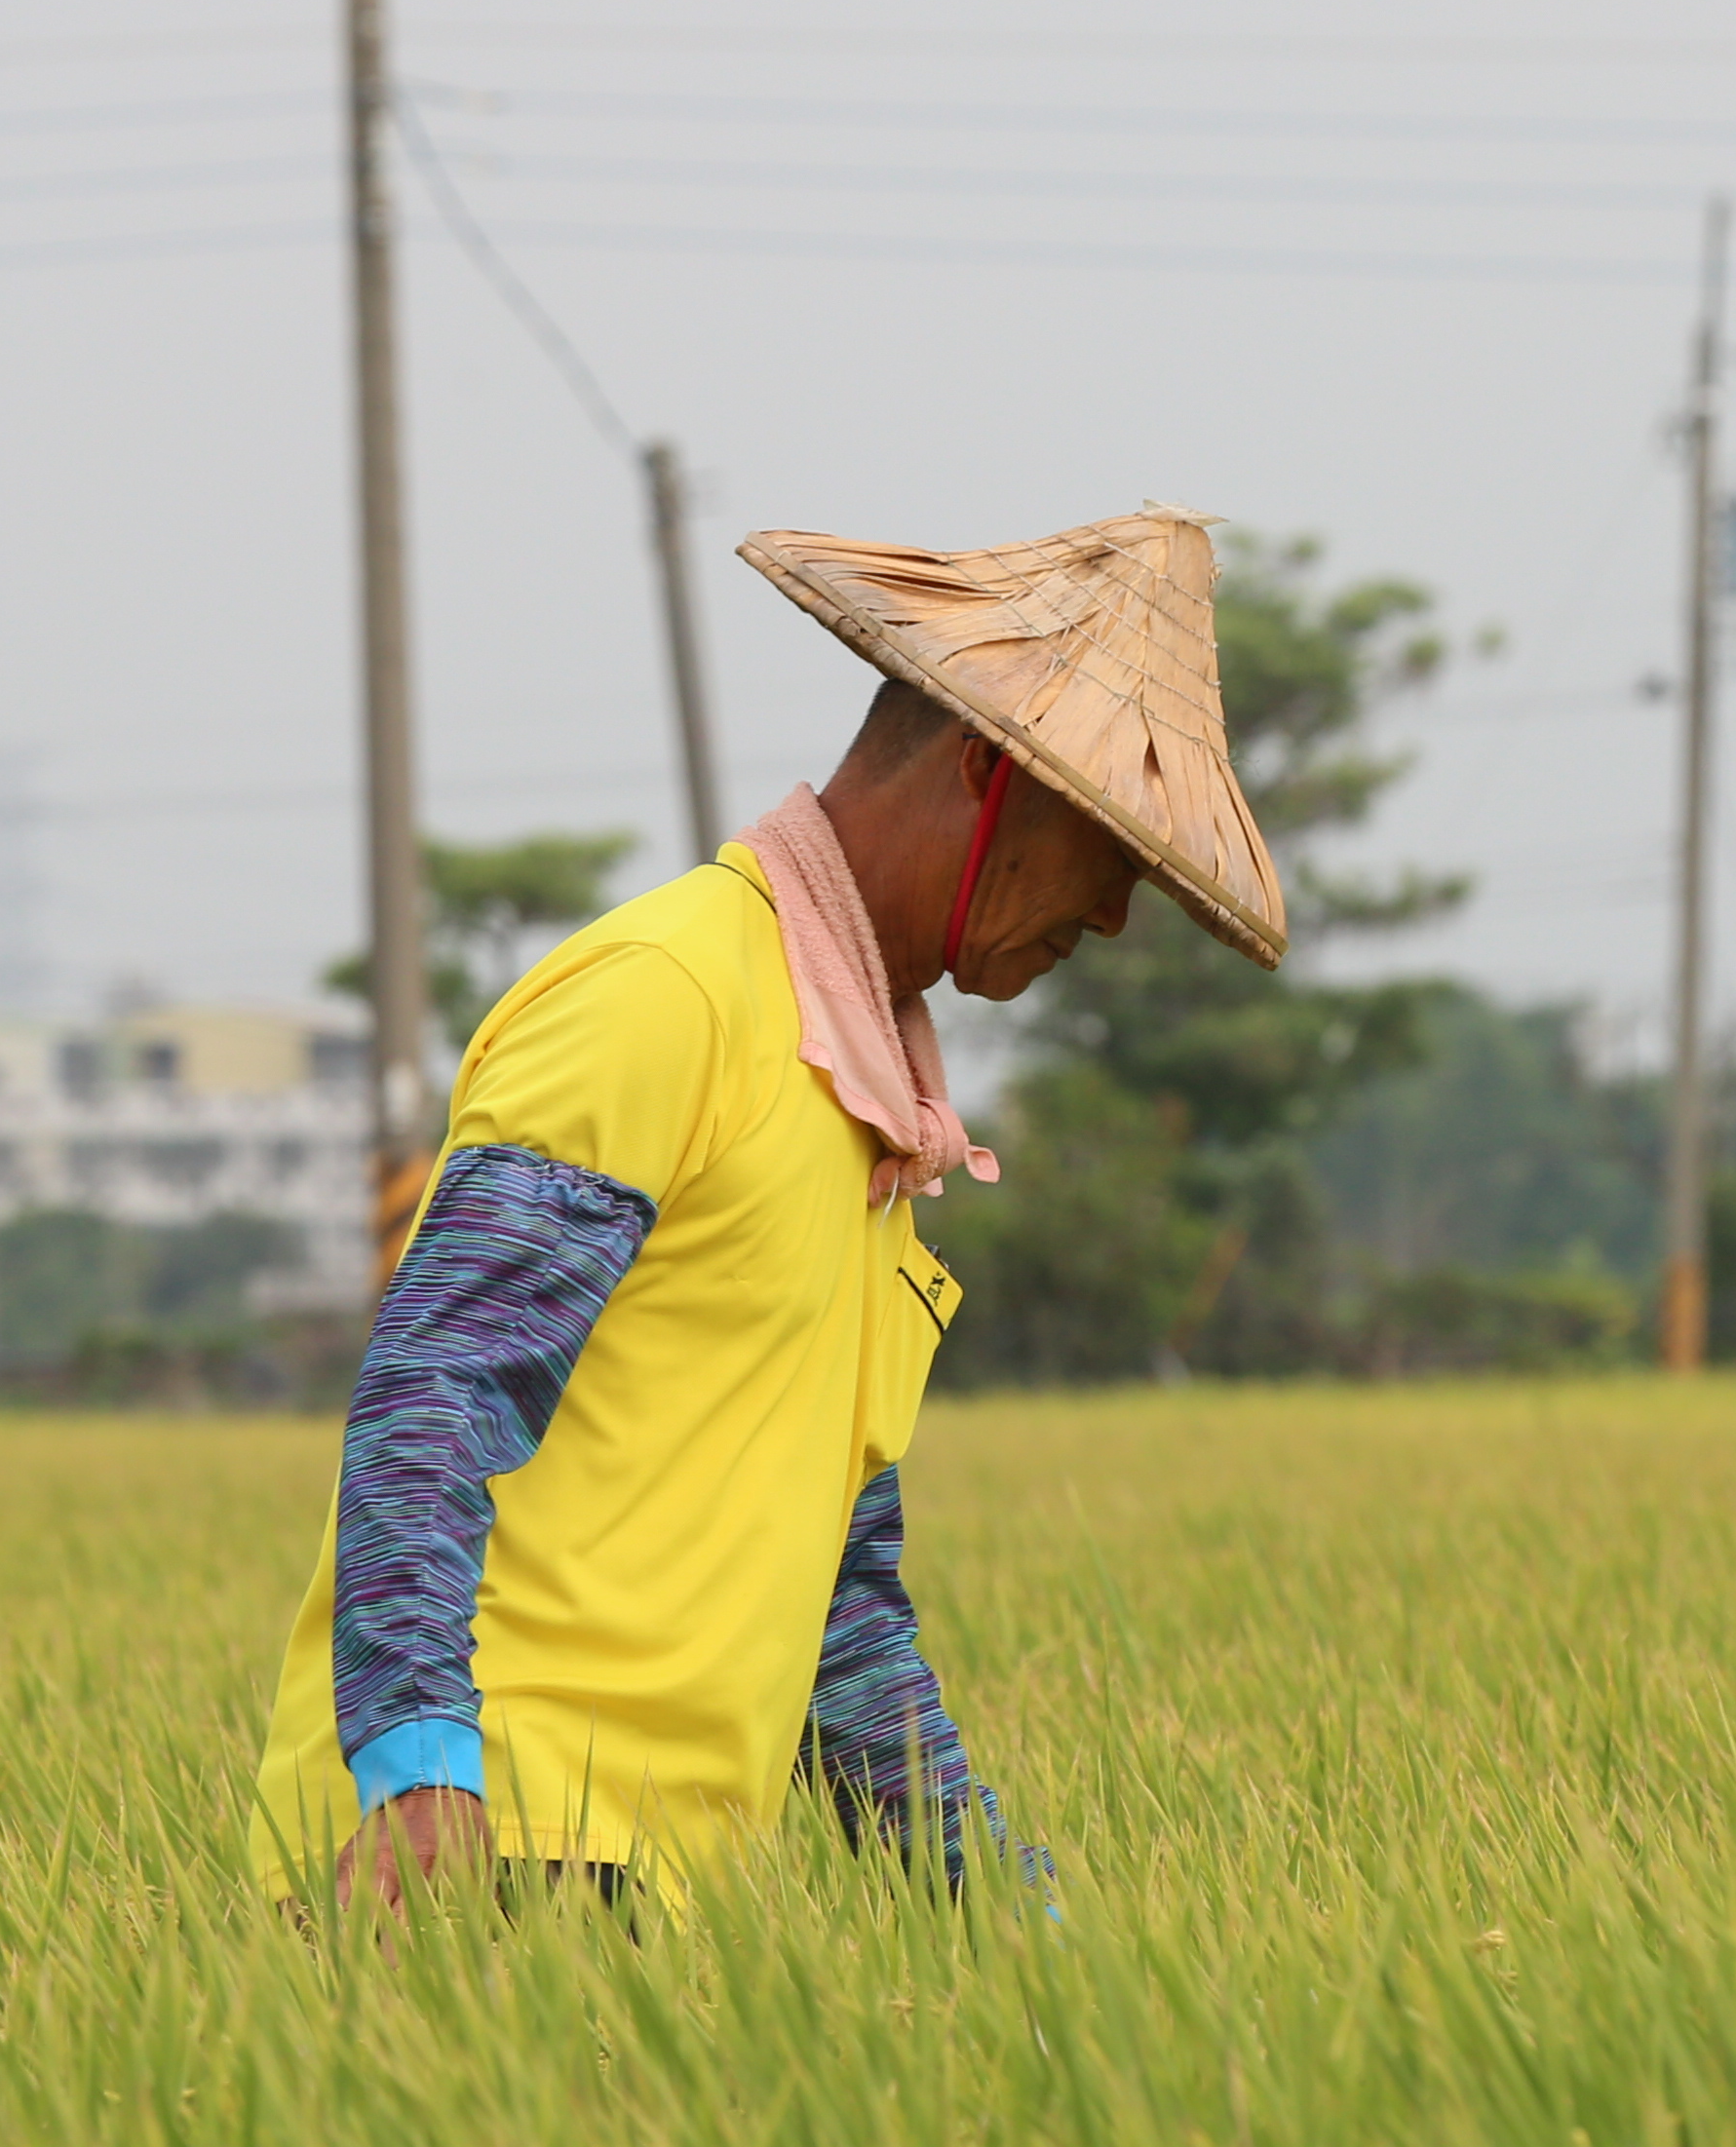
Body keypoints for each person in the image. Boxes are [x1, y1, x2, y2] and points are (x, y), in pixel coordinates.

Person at [241, 505, 1288, 1917]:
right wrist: (423, 1772)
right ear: (991, 774)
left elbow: (835, 1605)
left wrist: (1003, 1908)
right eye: (1110, 849)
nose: (1112, 916)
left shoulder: (864, 1113)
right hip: (477, 1845)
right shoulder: (666, 999)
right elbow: (438, 1393)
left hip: (657, 1894)